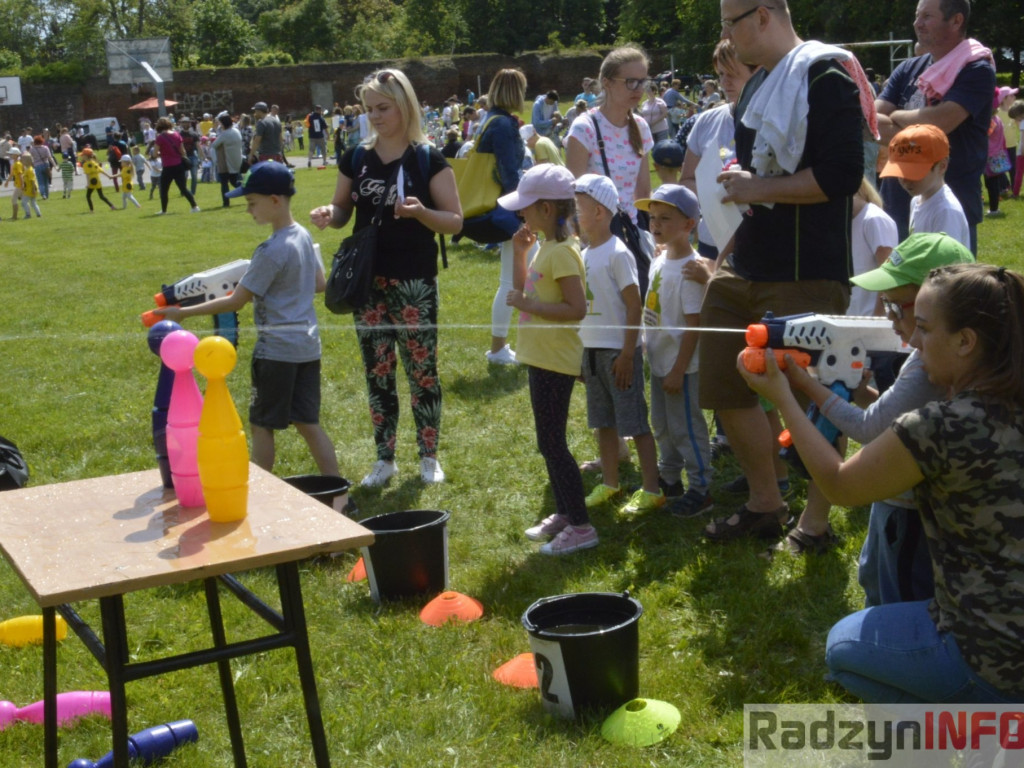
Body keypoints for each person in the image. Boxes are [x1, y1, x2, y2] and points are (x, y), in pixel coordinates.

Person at [740, 261, 1024, 703]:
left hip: (990, 658)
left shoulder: (939, 426)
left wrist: (782, 398)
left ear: (966, 341)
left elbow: (839, 487)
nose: (912, 340)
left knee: (843, 647)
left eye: (925, 329)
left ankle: (970, 726)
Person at [700, 0, 864, 543]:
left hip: (807, 268)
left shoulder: (825, 73)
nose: (726, 32)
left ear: (764, 15)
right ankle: (765, 502)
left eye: (731, 21)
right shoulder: (756, 86)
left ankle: (815, 524)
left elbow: (842, 175)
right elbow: (758, 184)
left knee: (818, 396)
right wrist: (745, 189)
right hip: (747, 262)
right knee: (725, 379)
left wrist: (757, 186)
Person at [310, 68, 462, 487]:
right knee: (378, 372)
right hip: (368, 282)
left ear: (404, 106)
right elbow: (343, 211)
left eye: (383, 108)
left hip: (414, 280)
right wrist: (329, 214)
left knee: (422, 371)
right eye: (369, 108)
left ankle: (428, 456)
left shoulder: (427, 158)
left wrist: (420, 213)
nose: (375, 116)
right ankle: (385, 458)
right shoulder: (357, 157)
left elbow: (454, 221)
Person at [154, 163, 341, 478]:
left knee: (261, 425)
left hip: (276, 352)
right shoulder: (303, 236)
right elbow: (319, 284)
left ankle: (258, 493)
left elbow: (237, 300)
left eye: (252, 203)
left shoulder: (269, 251)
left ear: (275, 201)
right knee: (308, 423)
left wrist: (181, 313)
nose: (249, 210)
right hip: (308, 347)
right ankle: (339, 492)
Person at [566, 45, 656, 474]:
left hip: (631, 242)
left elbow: (643, 196)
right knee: (601, 335)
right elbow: (573, 198)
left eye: (644, 81)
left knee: (632, 333)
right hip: (596, 242)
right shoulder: (584, 128)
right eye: (631, 81)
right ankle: (616, 443)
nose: (639, 89)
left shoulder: (641, 127)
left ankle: (632, 433)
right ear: (607, 83)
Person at [499, 164, 594, 555]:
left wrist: (528, 304)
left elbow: (576, 308)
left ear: (548, 209)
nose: (521, 214)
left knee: (553, 442)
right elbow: (526, 292)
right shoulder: (546, 248)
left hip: (556, 359)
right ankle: (565, 512)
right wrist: (521, 254)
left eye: (527, 207)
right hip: (540, 356)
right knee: (547, 441)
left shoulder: (565, 254)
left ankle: (583, 526)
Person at [573, 173, 666, 514]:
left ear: (599, 211)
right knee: (603, 422)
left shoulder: (617, 253)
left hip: (618, 353)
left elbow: (633, 304)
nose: (575, 214)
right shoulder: (584, 253)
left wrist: (628, 353)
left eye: (579, 207)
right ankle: (610, 483)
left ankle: (652, 489)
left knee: (635, 423)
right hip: (593, 353)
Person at [875, 0, 995, 254]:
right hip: (898, 200)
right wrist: (922, 129)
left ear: (956, 20)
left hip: (951, 205)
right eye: (917, 16)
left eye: (927, 16)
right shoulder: (907, 68)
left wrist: (896, 115)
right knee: (897, 290)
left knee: (947, 289)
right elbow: (871, 120)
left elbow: (942, 122)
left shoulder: (976, 69)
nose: (917, 23)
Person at [635, 184, 714, 517]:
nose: (656, 225)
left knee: (686, 427)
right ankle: (670, 479)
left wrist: (679, 370)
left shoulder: (690, 270)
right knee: (662, 425)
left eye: (666, 218)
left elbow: (693, 325)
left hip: (682, 367)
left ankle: (701, 488)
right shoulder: (659, 259)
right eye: (652, 218)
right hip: (659, 361)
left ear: (689, 225)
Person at [679, 39, 757, 260]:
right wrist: (713, 194)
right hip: (712, 238)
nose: (725, 82)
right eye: (721, 74)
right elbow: (686, 179)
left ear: (758, 73)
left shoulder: (773, 122)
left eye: (732, 74)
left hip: (759, 240)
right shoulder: (706, 121)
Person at [474, 68, 530, 366]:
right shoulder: (503, 125)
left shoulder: (488, 120)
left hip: (498, 205)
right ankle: (498, 348)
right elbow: (509, 173)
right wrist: (524, 210)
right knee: (512, 280)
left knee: (514, 278)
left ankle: (505, 345)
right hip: (507, 208)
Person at [879, 123, 969, 247]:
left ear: (942, 166)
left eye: (913, 173)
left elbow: (948, 262)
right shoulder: (916, 200)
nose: (905, 180)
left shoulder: (946, 212)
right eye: (900, 172)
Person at [153, 117, 200, 215]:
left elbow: (154, 154)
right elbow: (183, 152)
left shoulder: (160, 137)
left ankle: (164, 210)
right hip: (179, 165)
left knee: (164, 189)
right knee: (183, 188)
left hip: (168, 166)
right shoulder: (177, 135)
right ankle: (195, 206)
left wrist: (162, 153)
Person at [984, 90, 1009, 219]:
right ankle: (995, 207)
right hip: (997, 154)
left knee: (991, 184)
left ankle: (994, 209)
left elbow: (984, 136)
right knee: (992, 183)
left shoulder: (991, 121)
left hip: (990, 156)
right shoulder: (998, 119)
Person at [211, 113, 243, 207]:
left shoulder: (225, 134)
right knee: (234, 182)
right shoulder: (236, 131)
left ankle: (226, 203)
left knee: (224, 183)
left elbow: (214, 145)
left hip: (226, 162)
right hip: (236, 161)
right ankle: (249, 190)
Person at [78, 147, 116, 213]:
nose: (82, 157)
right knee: (101, 196)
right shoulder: (94, 162)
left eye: (83, 155)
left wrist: (88, 184)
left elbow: (88, 174)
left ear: (86, 156)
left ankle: (91, 210)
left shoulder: (86, 164)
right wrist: (109, 176)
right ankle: (112, 206)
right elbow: (101, 170)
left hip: (92, 182)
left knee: (88, 196)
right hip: (97, 181)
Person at [29, 135, 55, 200]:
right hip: (46, 165)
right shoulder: (45, 148)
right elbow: (50, 158)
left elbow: (30, 158)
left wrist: (32, 165)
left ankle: (43, 194)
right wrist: (55, 166)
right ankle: (47, 195)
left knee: (40, 182)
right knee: (46, 181)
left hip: (37, 166)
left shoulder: (32, 149)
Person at [17, 151, 41, 218]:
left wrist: (33, 189)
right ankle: (38, 214)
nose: (21, 161)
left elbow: (32, 180)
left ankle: (28, 214)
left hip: (30, 189)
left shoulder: (29, 170)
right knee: (33, 203)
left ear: (27, 161)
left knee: (24, 202)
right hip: (29, 189)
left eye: (22, 160)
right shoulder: (27, 169)